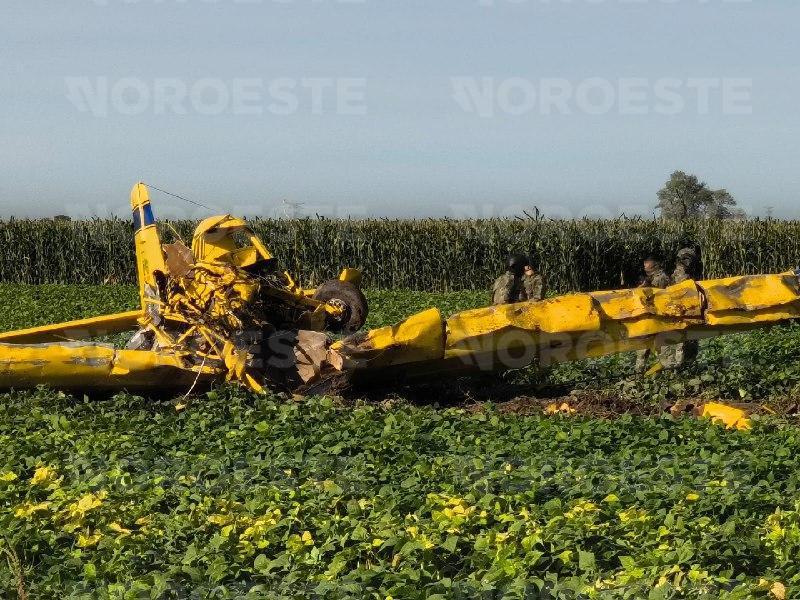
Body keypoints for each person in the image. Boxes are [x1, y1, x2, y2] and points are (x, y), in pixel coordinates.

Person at [661, 247, 702, 368]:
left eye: (689, 259)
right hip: (681, 314)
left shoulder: (686, 274)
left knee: (688, 343)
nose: (687, 262)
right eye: (685, 259)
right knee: (681, 344)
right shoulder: (680, 275)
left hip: (689, 314)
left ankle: (684, 367)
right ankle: (679, 369)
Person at [635, 256, 671, 372]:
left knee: (659, 347)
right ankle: (641, 371)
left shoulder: (660, 278)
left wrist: (641, 288)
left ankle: (664, 371)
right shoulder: (651, 278)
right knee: (645, 347)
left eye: (647, 264)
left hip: (658, 318)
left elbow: (654, 296)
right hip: (652, 317)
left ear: (655, 265)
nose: (644, 266)